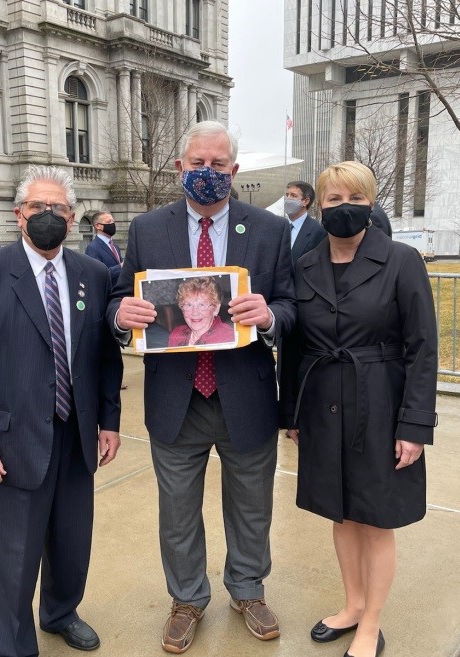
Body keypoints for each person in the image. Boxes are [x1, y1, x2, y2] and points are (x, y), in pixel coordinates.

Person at [109, 120, 296, 653]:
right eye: (198, 163)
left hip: (246, 396)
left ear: (234, 170)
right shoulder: (148, 229)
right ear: (180, 167)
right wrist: (121, 316)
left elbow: (291, 304)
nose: (207, 172)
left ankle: (248, 589)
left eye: (218, 164)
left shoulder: (269, 230)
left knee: (252, 506)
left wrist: (270, 316)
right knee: (177, 512)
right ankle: (187, 599)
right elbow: (119, 297)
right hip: (177, 399)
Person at [0, 165, 123, 657]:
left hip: (76, 433)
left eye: (58, 208)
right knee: (14, 555)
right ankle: (11, 645)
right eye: (38, 206)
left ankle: (61, 612)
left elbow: (105, 358)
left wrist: (109, 421)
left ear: (72, 217)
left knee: (71, 541)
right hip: (10, 441)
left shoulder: (92, 274)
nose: (48, 215)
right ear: (19, 214)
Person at [279, 161, 438, 657]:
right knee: (341, 514)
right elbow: (294, 347)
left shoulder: (402, 260)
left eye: (355, 198)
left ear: (370, 204)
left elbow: (422, 348)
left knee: (374, 518)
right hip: (323, 405)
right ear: (319, 206)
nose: (343, 207)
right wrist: (292, 414)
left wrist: (414, 425)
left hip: (380, 404)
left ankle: (371, 623)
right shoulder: (305, 265)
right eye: (333, 199)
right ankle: (351, 605)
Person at [167, 277, 236, 347]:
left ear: (216, 309)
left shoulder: (228, 338)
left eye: (202, 305)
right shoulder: (176, 335)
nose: (195, 313)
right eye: (189, 305)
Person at [284, 181, 326, 265]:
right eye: (287, 195)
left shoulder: (318, 231)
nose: (288, 199)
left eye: (293, 195)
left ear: (306, 201)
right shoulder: (278, 226)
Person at [84, 209, 123, 287]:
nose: (112, 224)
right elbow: (97, 275)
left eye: (113, 221)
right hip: (107, 291)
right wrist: (121, 267)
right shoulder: (93, 248)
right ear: (98, 226)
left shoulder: (114, 246)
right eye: (109, 222)